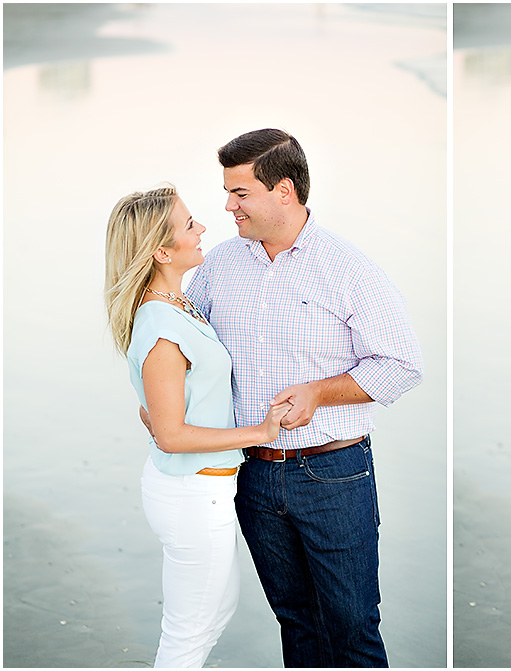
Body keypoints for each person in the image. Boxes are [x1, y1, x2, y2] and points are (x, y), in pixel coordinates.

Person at [183, 128, 424, 668]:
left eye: (240, 193)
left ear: (284, 191)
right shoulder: (219, 265)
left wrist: (320, 391)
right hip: (251, 473)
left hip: (333, 473)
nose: (227, 206)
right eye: (227, 192)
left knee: (353, 626)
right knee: (296, 623)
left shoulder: (349, 269)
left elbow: (404, 364)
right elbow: (184, 345)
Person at [104, 186, 291, 667]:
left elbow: (161, 411)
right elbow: (171, 435)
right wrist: (261, 432)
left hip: (202, 489)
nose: (204, 227)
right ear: (162, 251)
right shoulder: (162, 325)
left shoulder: (179, 306)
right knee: (188, 635)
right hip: (192, 493)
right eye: (190, 224)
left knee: (212, 615)